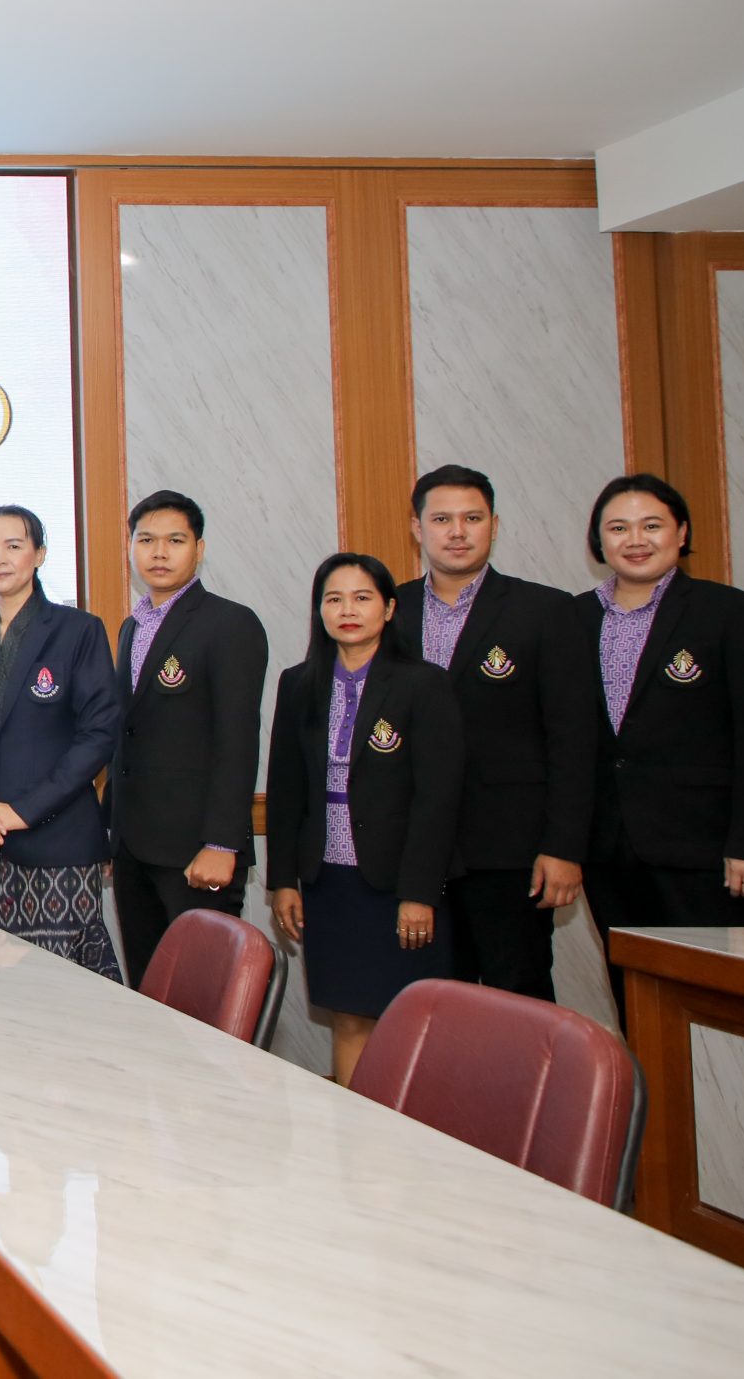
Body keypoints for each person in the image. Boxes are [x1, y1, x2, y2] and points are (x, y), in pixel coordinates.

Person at [389, 465, 597, 1001]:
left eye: (472, 518)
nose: (457, 532)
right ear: (417, 528)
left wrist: (564, 846)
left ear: (494, 526)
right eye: (442, 519)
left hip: (511, 850)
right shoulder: (389, 611)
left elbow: (573, 738)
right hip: (414, 851)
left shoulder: (546, 611)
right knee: (431, 1001)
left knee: (518, 996)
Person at [576, 475, 744, 992]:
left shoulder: (735, 614)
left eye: (651, 525)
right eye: (618, 528)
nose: (635, 539)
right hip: (606, 849)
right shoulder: (572, 617)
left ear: (681, 532)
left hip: (705, 852)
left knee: (715, 997)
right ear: (599, 540)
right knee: (636, 996)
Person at [264, 554, 463, 1086]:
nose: (347, 610)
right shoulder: (298, 683)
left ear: (389, 608)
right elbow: (285, 791)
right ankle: (354, 1128)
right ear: (319, 610)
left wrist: (419, 892)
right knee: (347, 1014)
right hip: (328, 882)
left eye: (362, 598)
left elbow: (438, 798)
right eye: (334, 599)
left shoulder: (423, 684)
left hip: (398, 882)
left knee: (408, 1018)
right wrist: (284, 880)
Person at [0, 506, 124, 977]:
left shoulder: (78, 631)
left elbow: (99, 733)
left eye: (14, 546)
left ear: (39, 555)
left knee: (60, 984)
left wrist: (24, 809)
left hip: (58, 841)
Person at [105, 491, 269, 988]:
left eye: (175, 541)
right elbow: (128, 735)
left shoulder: (230, 623)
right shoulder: (132, 627)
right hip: (134, 847)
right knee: (149, 991)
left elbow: (237, 739)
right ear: (131, 548)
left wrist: (222, 842)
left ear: (199, 549)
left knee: (202, 995)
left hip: (197, 851)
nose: (159, 552)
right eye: (146, 540)